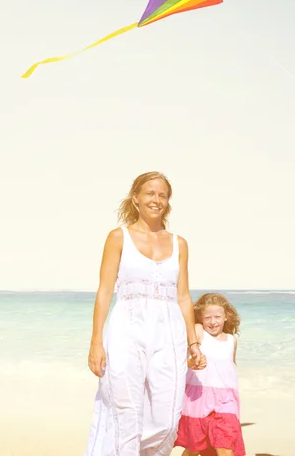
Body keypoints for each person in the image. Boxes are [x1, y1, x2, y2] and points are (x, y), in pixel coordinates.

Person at [83, 171, 205, 456]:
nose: (156, 199)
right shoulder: (118, 237)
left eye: (162, 195)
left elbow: (184, 296)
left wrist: (193, 342)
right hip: (127, 326)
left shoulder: (180, 243)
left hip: (169, 330)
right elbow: (104, 291)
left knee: (167, 420)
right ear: (135, 198)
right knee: (127, 412)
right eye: (150, 193)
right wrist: (96, 342)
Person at [175, 293, 246, 456]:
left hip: (226, 400)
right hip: (199, 399)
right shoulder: (199, 332)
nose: (213, 322)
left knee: (226, 443)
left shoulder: (232, 340)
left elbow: (231, 368)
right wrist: (192, 363)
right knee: (195, 448)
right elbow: (184, 359)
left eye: (217, 317)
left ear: (226, 316)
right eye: (208, 317)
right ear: (200, 317)